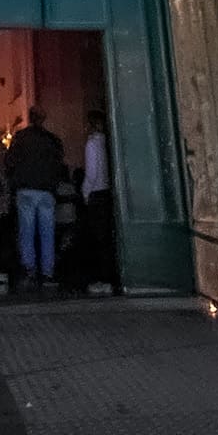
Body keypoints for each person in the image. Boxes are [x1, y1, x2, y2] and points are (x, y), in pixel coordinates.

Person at [5, 105, 65, 291]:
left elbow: (10, 161)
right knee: (47, 233)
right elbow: (60, 164)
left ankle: (29, 271)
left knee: (27, 232)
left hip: (26, 190)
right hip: (46, 191)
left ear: (30, 118)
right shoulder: (52, 140)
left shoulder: (21, 138)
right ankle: (48, 272)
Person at [79, 109, 123, 296]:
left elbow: (91, 172)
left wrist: (85, 192)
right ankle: (111, 278)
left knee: (98, 239)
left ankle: (102, 280)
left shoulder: (92, 144)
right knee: (107, 237)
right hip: (107, 193)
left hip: (96, 195)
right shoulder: (108, 142)